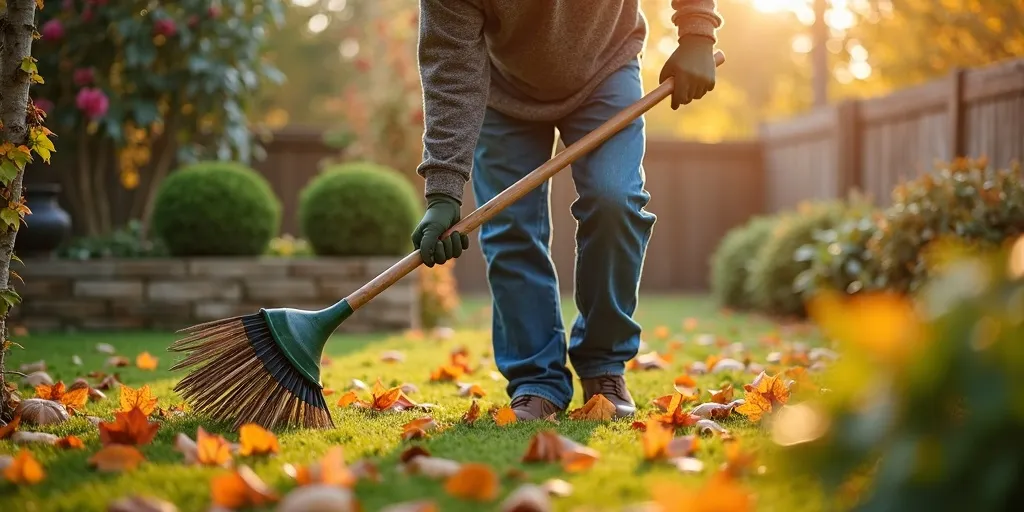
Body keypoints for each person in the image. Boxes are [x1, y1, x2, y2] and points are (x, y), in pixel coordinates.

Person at [411, 0, 722, 420]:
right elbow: (450, 68)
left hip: (606, 67)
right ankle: (536, 380)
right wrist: (443, 191)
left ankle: (603, 364)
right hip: (504, 91)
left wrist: (698, 31)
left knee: (616, 200)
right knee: (511, 229)